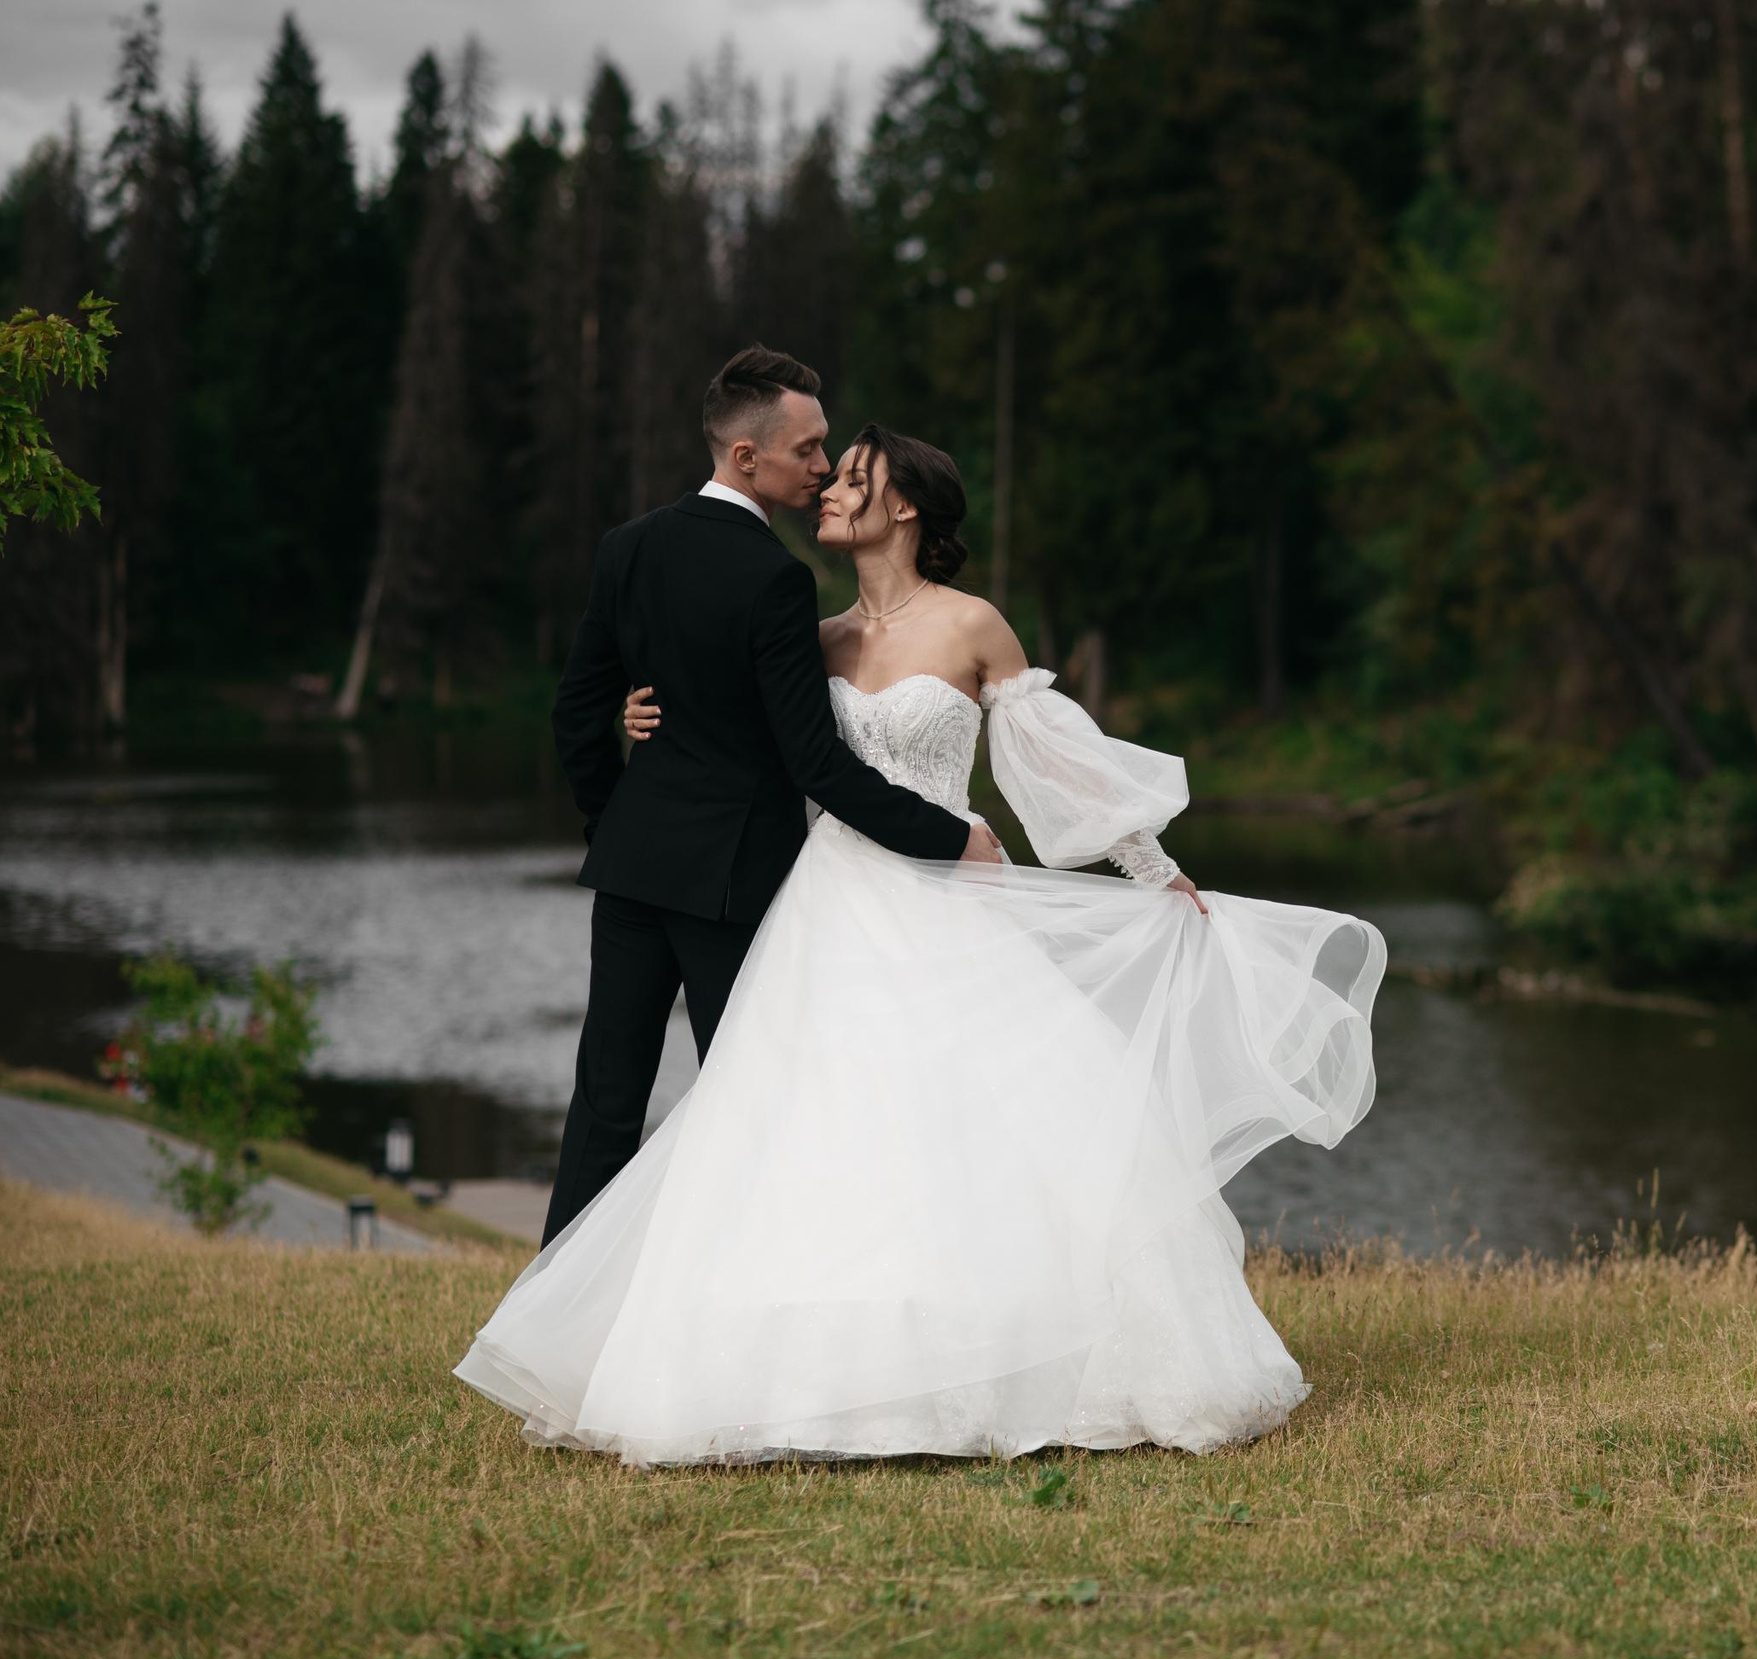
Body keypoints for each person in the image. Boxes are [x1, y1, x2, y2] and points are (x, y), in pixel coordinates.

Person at [455, 421, 1385, 1464]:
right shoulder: (812, 633)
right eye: (828, 471)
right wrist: (634, 722)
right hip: (828, 910)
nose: (828, 489)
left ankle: (1007, 1358)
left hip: (951, 906)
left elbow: (1054, 766)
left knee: (985, 1135)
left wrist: (1152, 869)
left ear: (904, 506)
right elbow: (743, 738)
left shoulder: (973, 625)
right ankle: (814, 1374)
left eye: (853, 476)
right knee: (810, 1134)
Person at [539, 348, 1004, 1247]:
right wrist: (948, 839)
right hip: (733, 885)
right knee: (751, 1103)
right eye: (809, 449)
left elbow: (574, 713)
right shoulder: (776, 580)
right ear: (747, 458)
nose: (823, 466)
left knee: (605, 1099)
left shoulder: (625, 547)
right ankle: (750, 1296)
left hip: (634, 873)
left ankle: (549, 1317)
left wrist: (616, 821)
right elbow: (815, 765)